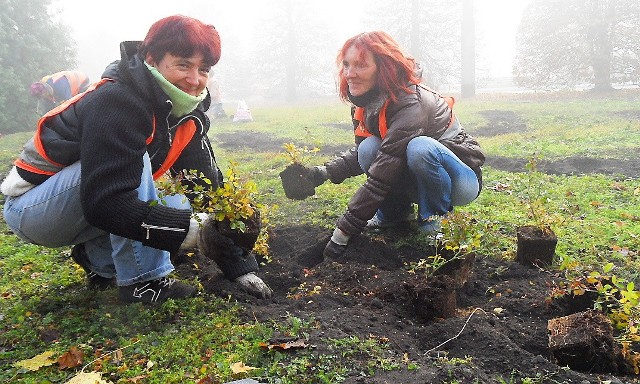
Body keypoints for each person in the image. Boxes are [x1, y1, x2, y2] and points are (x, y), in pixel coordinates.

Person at [1, 15, 272, 304]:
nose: (195, 80)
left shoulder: (185, 114)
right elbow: (106, 203)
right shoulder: (117, 101)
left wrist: (238, 264)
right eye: (183, 64)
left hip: (85, 202)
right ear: (152, 59)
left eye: (203, 69)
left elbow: (205, 187)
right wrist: (199, 235)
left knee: (178, 204)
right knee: (135, 170)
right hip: (32, 209)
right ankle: (145, 284)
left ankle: (100, 262)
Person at [280, 31, 485, 259]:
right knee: (369, 148)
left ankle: (435, 222)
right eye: (346, 65)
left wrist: (343, 231)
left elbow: (383, 173)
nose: (350, 74)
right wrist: (322, 173)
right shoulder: (365, 102)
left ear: (383, 67)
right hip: (417, 178)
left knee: (420, 148)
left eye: (360, 65)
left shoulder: (411, 102)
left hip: (461, 181)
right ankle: (393, 216)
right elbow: (369, 156)